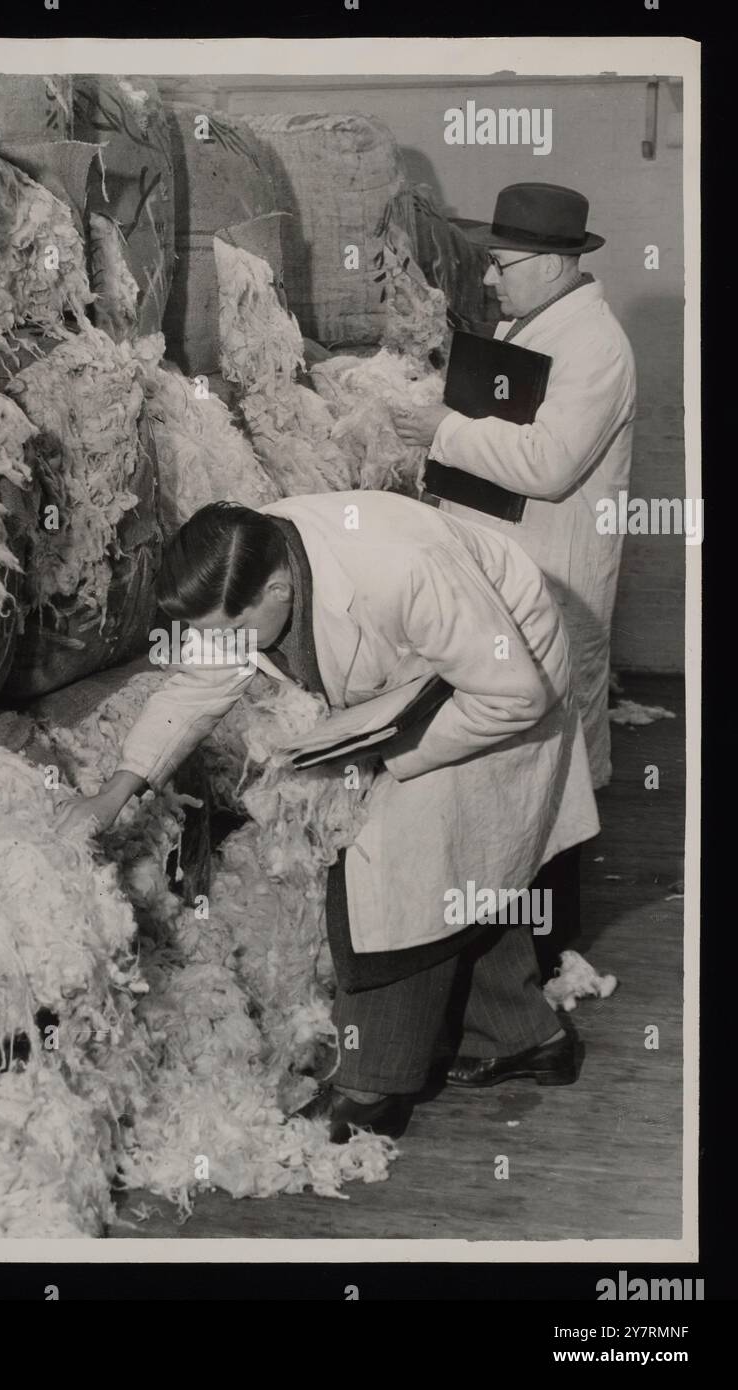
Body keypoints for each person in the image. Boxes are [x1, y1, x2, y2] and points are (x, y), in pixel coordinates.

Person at [55, 492, 600, 1144]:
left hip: (504, 679)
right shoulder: (250, 565)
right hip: (422, 685)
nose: (216, 645)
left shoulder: (401, 565)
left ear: (280, 588)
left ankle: (370, 1089)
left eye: (227, 631)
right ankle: (524, 1038)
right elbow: (196, 687)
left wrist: (384, 754)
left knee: (389, 870)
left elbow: (514, 694)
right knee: (464, 865)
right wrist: (116, 792)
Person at [392, 182, 636, 972]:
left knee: (552, 766)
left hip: (553, 577)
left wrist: (444, 431)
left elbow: (548, 463)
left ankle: (552, 956)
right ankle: (508, 953)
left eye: (502, 264)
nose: (489, 279)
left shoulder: (594, 346)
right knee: (516, 763)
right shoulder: (532, 325)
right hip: (507, 571)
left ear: (559, 265)